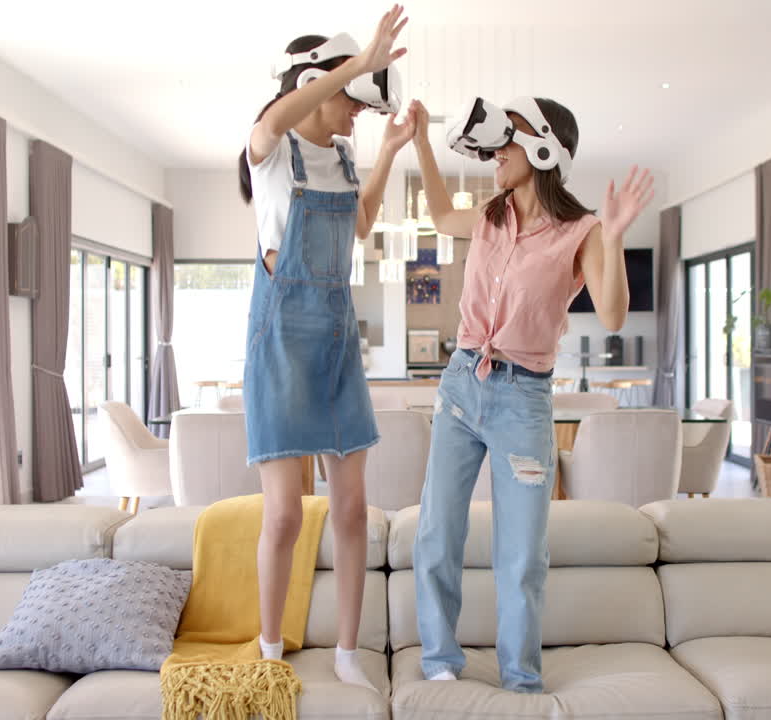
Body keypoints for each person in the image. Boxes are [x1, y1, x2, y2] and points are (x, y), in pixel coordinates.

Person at [407, 96, 655, 693]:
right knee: (438, 533)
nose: (495, 152)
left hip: (523, 401)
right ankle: (440, 663)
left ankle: (520, 681)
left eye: (507, 140)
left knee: (521, 556)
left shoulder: (582, 230)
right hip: (462, 385)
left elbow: (616, 314)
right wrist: (419, 140)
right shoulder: (491, 213)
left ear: (543, 147)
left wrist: (616, 235)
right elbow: (441, 217)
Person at [238, 5, 413, 689]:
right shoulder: (271, 147)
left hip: (339, 342)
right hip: (282, 340)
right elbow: (278, 116)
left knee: (349, 509)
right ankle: (271, 646)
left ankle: (345, 650)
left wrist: (391, 152)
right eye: (351, 97)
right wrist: (357, 61)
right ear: (318, 81)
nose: (357, 112)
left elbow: (363, 223)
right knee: (282, 514)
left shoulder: (342, 156)